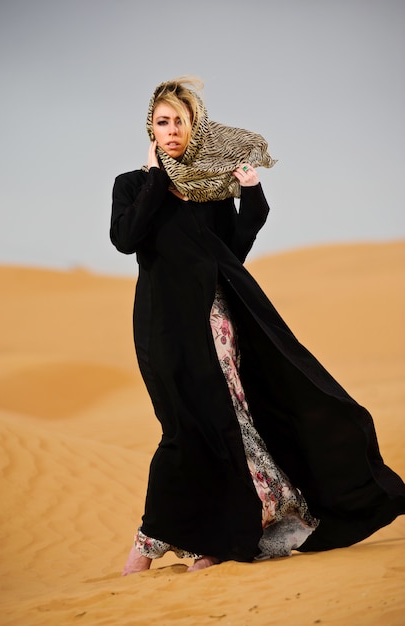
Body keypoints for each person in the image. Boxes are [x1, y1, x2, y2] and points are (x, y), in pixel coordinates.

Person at [110, 76, 405, 575]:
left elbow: (235, 250)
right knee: (182, 428)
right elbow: (125, 238)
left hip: (213, 324)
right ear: (150, 129)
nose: (173, 129)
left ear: (196, 125)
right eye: (163, 121)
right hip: (161, 329)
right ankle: (175, 535)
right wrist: (158, 178)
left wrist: (252, 191)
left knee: (223, 423)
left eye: (181, 120)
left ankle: (205, 538)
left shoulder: (212, 190)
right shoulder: (134, 185)